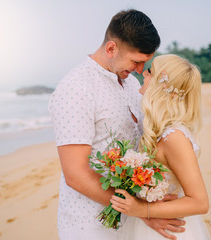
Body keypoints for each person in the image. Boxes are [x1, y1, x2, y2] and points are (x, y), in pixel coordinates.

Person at [49, 9, 185, 240]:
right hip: (90, 223)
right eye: (136, 61)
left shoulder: (131, 83)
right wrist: (144, 212)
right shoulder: (75, 88)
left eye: (145, 63)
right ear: (111, 49)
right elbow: (75, 174)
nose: (141, 70)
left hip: (133, 222)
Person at [110, 54, 211, 239]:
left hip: (167, 230)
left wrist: (142, 209)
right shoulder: (159, 132)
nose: (142, 75)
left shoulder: (174, 137)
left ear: (159, 84)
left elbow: (200, 202)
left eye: (148, 73)